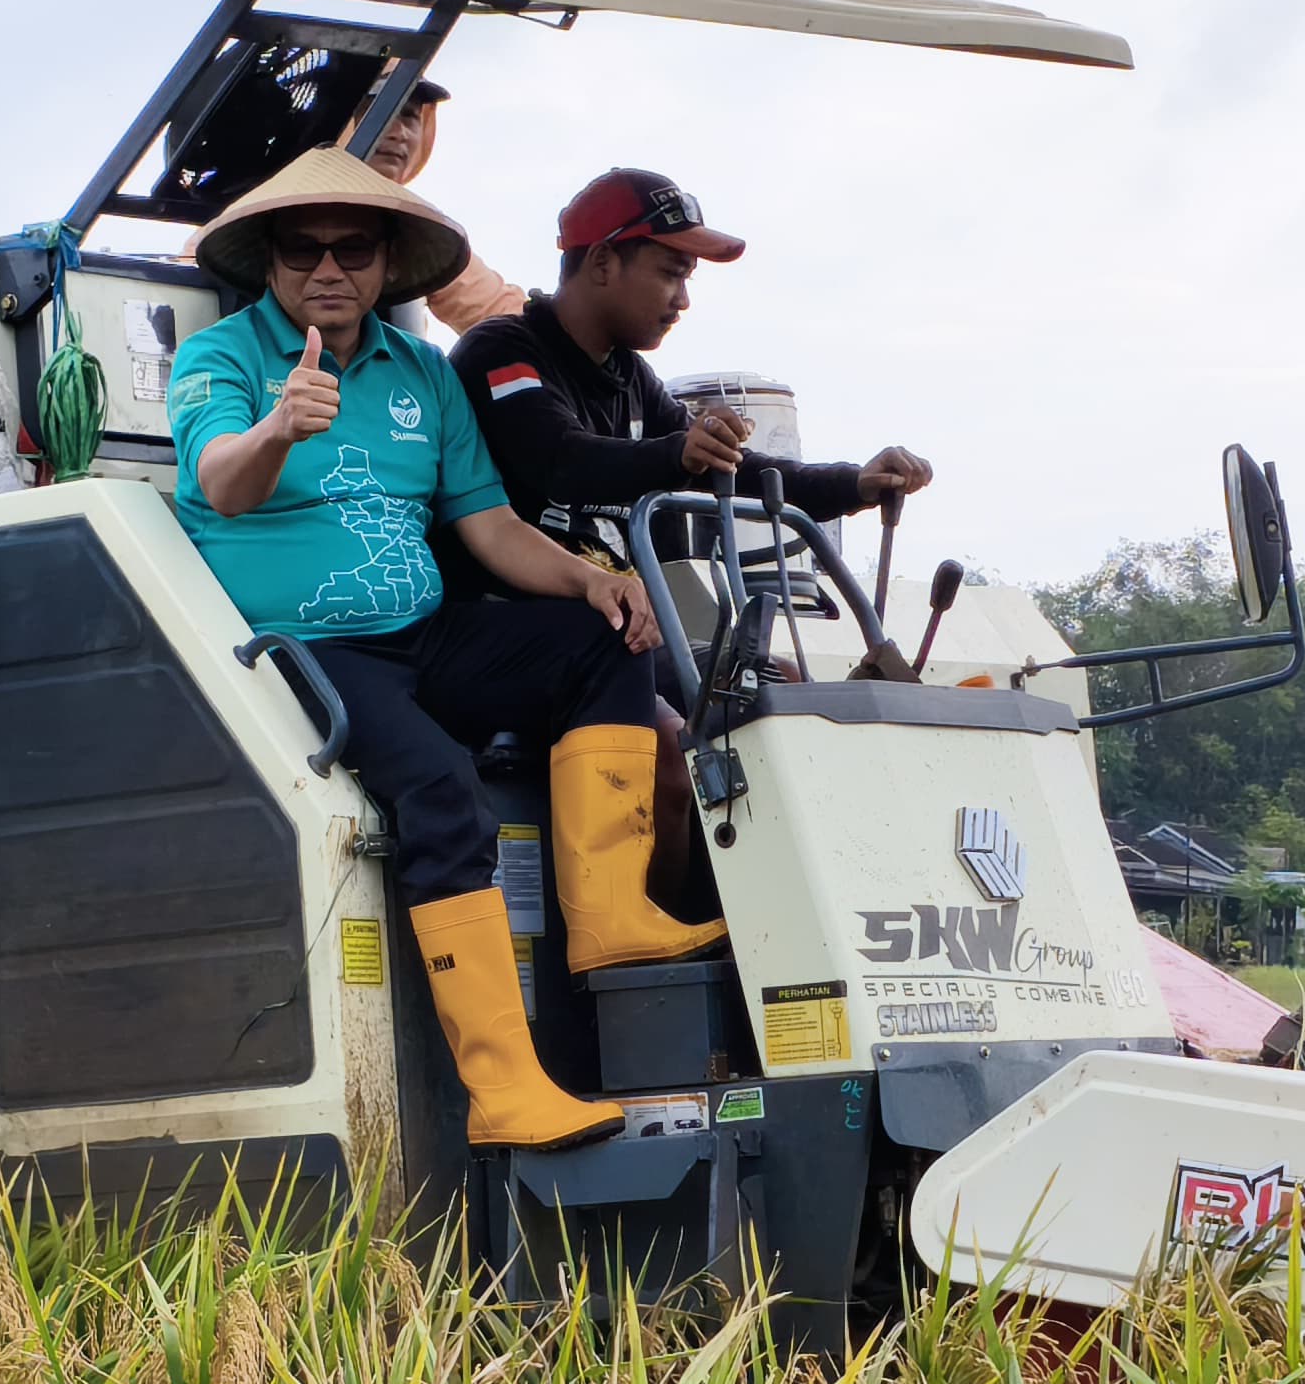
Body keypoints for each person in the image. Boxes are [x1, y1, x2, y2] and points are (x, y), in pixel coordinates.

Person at [170, 148, 715, 1153]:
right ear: (266, 262)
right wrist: (280, 428)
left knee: (603, 639)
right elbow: (221, 486)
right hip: (305, 650)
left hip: (424, 631)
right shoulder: (221, 360)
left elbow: (486, 525)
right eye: (301, 250)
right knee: (444, 792)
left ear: (386, 265)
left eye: (353, 250)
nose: (326, 270)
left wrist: (591, 579)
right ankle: (504, 1091)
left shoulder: (422, 369)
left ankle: (607, 914)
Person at [451, 169, 933, 564]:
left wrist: (854, 485)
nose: (683, 301)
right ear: (601, 263)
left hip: (610, 625)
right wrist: (680, 453)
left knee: (772, 678)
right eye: (671, 273)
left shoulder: (631, 377)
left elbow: (738, 472)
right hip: (502, 628)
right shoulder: (504, 352)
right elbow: (557, 460)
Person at [362, 81, 527, 335]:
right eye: (379, 110)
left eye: (409, 116)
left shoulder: (417, 225)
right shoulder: (281, 203)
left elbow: (497, 312)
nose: (400, 133)